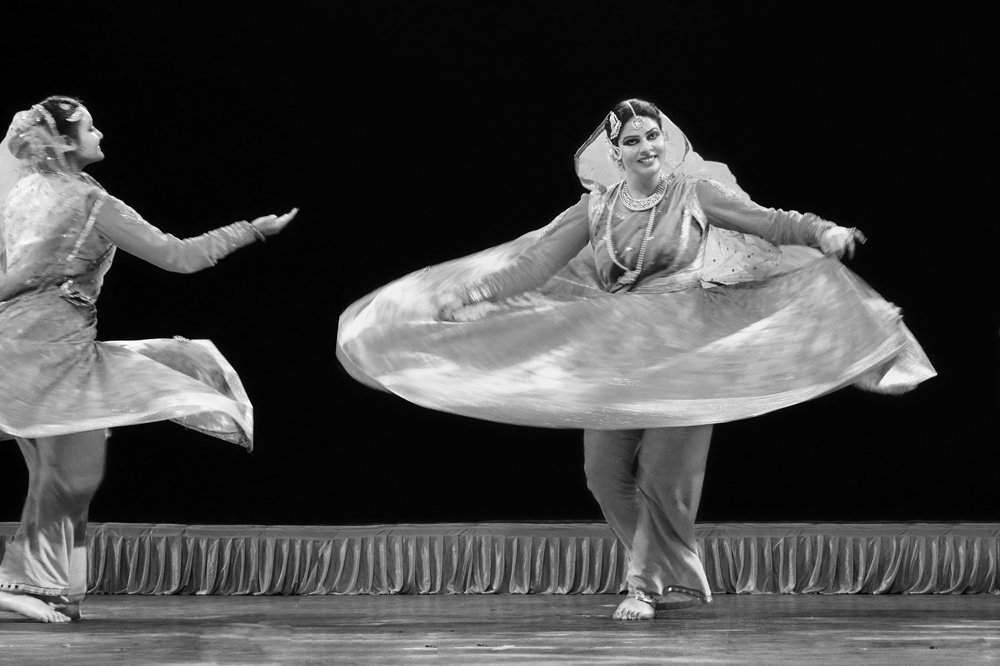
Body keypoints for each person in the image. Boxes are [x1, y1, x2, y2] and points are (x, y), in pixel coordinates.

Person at [337, 98, 934, 620]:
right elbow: (534, 266)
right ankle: (674, 570)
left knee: (664, 479)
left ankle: (643, 586)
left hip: (691, 347)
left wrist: (821, 231)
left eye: (654, 136)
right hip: (619, 349)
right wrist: (470, 293)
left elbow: (770, 223)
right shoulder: (594, 209)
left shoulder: (693, 192)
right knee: (602, 476)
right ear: (614, 152)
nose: (647, 147)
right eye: (632, 141)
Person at [0, 96, 296, 623]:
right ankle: (21, 585)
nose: (101, 134)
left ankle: (47, 586)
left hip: (20, 348)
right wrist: (250, 229)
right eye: (90, 127)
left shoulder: (25, 190)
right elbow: (178, 257)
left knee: (56, 474)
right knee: (75, 476)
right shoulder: (92, 205)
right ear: (66, 142)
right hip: (53, 357)